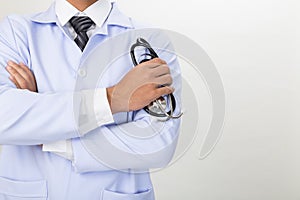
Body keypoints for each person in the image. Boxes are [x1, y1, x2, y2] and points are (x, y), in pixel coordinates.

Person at [0, 0, 181, 199]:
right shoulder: (15, 32)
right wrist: (113, 98)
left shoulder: (151, 40)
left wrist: (46, 136)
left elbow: (157, 144)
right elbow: (4, 117)